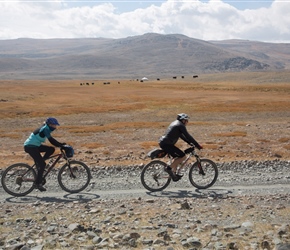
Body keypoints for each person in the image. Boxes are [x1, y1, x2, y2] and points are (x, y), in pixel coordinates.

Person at [24, 117, 65, 191]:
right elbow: (51, 140)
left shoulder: (46, 128)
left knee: (51, 149)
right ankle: (38, 183)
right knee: (42, 165)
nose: (55, 127)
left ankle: (41, 162)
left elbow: (52, 141)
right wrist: (61, 145)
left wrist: (60, 144)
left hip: (34, 146)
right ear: (49, 124)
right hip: (31, 147)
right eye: (54, 125)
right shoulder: (45, 129)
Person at [159, 113, 203, 181]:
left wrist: (190, 143)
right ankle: (169, 168)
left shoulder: (176, 123)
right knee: (183, 156)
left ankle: (174, 174)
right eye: (186, 120)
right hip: (167, 144)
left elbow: (182, 137)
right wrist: (197, 145)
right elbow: (188, 136)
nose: (187, 122)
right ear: (183, 120)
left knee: (178, 157)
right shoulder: (180, 125)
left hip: (164, 143)